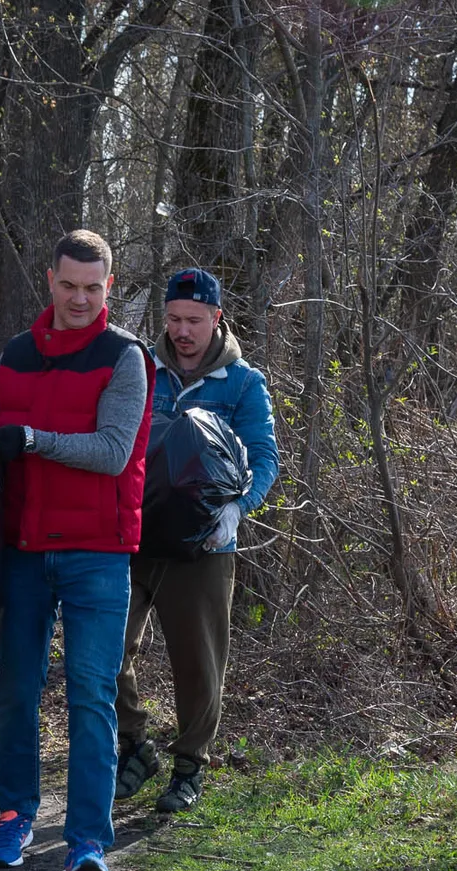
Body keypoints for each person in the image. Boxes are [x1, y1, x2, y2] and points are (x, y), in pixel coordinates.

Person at [0, 229, 150, 871]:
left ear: (109, 287)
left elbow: (114, 451)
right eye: (68, 286)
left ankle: (88, 843)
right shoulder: (14, 355)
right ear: (50, 280)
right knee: (16, 688)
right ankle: (14, 816)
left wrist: (30, 440)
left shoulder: (126, 357)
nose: (79, 299)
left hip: (98, 553)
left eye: (92, 289)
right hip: (24, 548)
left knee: (91, 693)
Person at [112, 268, 278, 812]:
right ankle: (136, 745)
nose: (182, 331)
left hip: (205, 547)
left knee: (199, 662)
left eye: (193, 321)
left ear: (216, 319)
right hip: (132, 536)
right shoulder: (138, 367)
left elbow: (264, 459)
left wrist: (237, 508)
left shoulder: (243, 383)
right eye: (173, 320)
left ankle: (189, 768)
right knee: (106, 650)